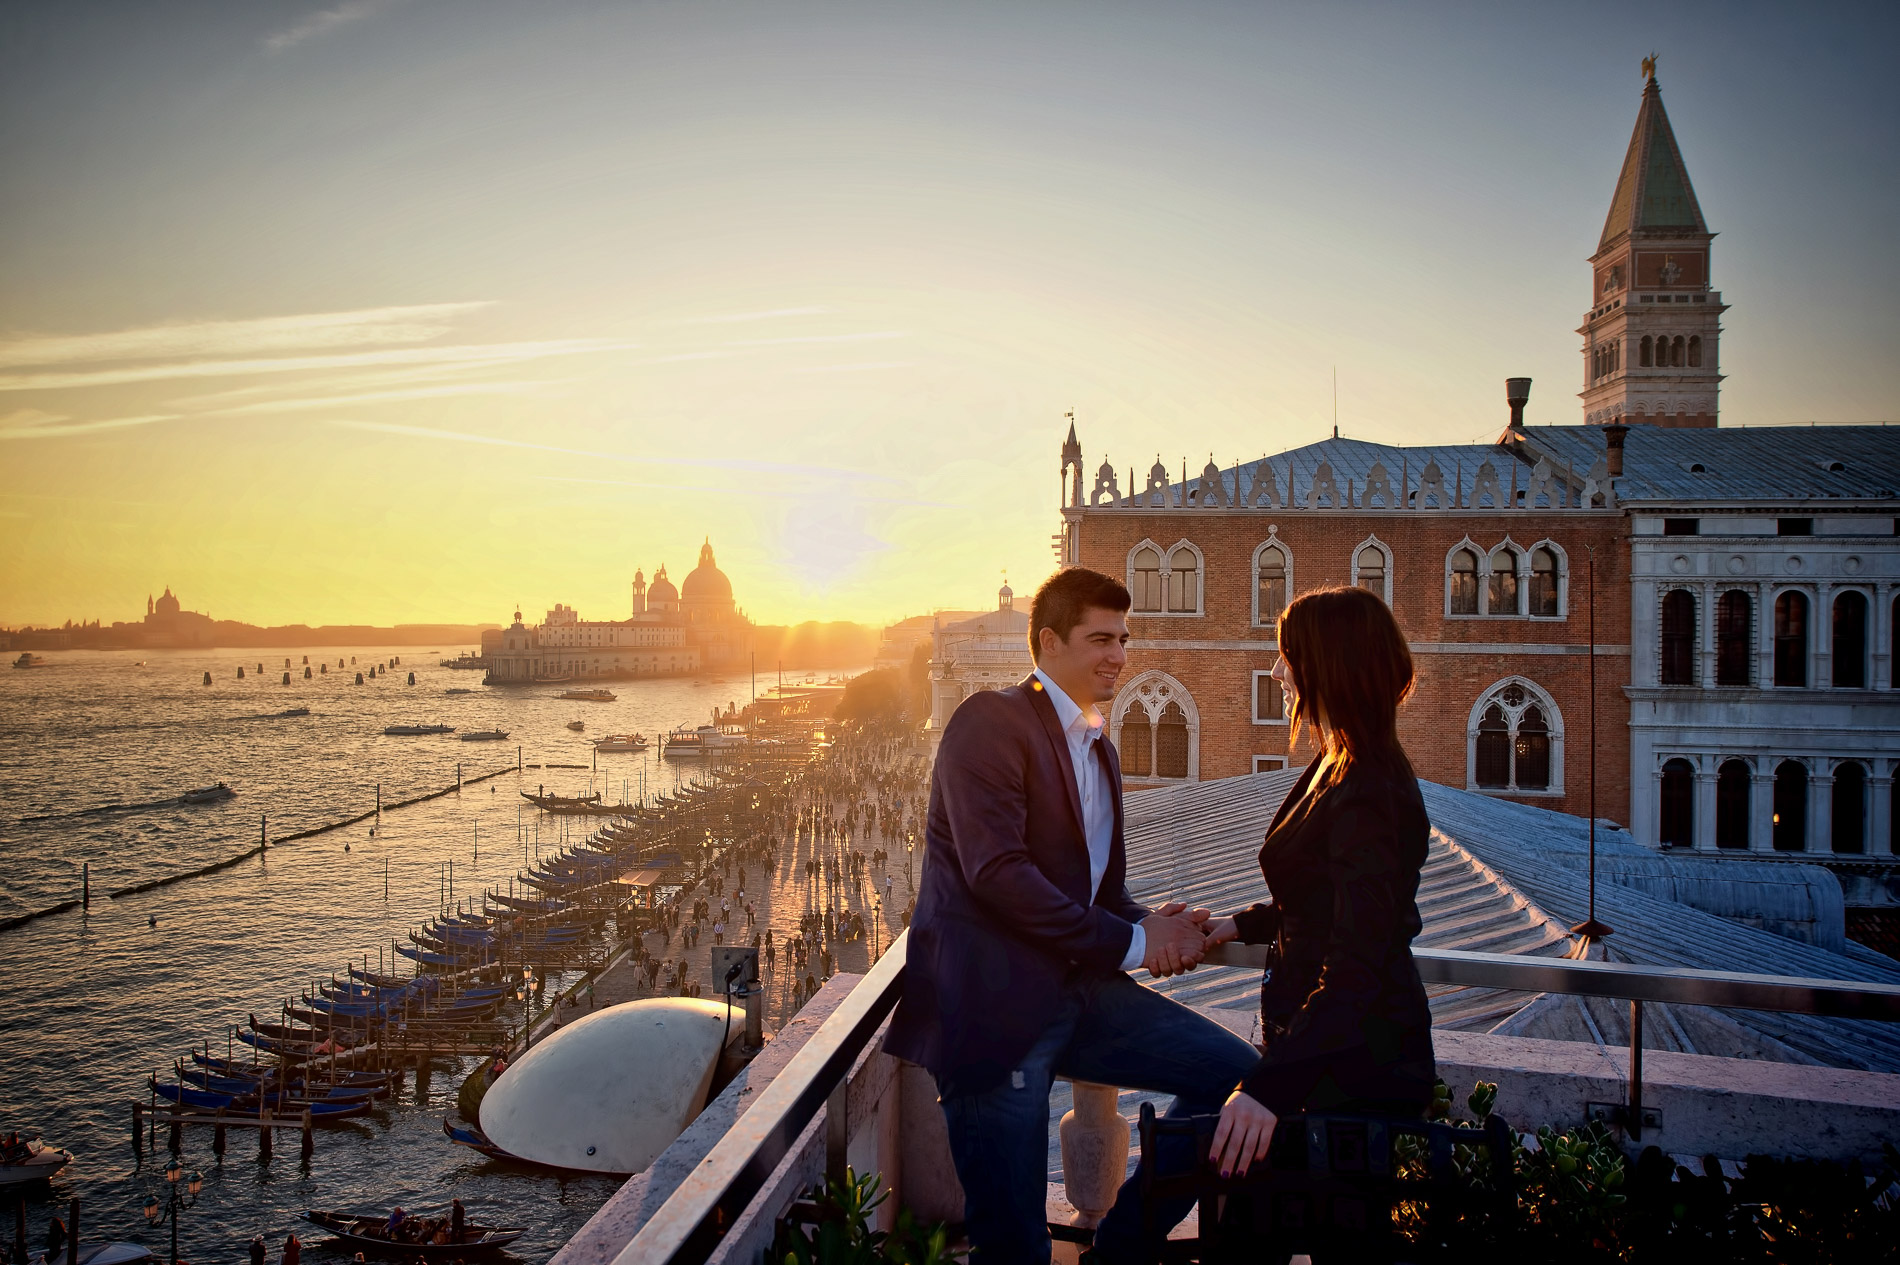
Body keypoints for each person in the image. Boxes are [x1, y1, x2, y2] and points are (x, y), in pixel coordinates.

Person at [885, 567, 1257, 1263]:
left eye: (1123, 637)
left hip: (1078, 993)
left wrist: (1165, 924)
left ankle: (1120, 1248)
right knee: (1014, 1245)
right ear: (1049, 642)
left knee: (1235, 1072)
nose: (1118, 654)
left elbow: (1099, 893)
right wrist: (1135, 940)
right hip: (993, 1011)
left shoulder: (1102, 749)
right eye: (1099, 639)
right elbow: (998, 876)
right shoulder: (988, 721)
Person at [1202, 586, 1437, 1182]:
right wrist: (1244, 924)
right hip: (1324, 1063)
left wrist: (1271, 1086)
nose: (1279, 669)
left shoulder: (1370, 788)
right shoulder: (1340, 763)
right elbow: (1323, 900)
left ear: (1328, 666)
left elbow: (1360, 958)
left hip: (1354, 1076)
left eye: (1290, 655)